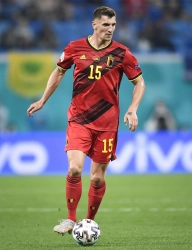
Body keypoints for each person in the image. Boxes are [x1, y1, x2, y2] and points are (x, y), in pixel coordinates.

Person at [27, 6, 145, 234]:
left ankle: (88, 221)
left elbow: (140, 82)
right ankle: (71, 219)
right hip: (79, 120)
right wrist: (43, 100)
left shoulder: (122, 53)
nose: (110, 29)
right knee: (74, 169)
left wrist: (132, 109)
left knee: (98, 178)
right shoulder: (74, 48)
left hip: (107, 125)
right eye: (105, 25)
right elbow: (59, 71)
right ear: (94, 25)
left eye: (113, 25)